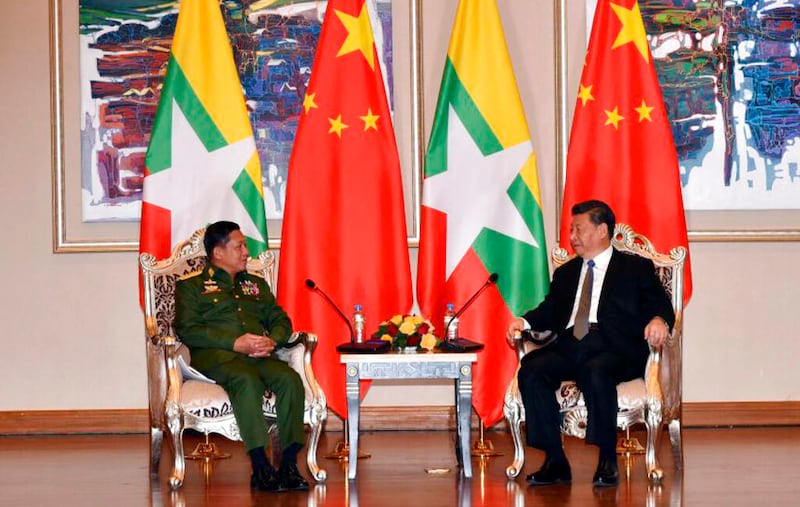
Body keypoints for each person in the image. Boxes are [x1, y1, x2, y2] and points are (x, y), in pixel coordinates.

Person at [506, 200, 674, 487]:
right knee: (531, 369)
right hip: (572, 344)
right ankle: (555, 460)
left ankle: (608, 458)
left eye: (579, 229)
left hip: (615, 348)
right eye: (572, 230)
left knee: (596, 370)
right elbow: (550, 309)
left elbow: (659, 303)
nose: (572, 236)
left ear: (602, 230)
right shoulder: (567, 272)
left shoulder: (635, 267)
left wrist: (658, 319)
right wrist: (525, 322)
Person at [175, 221, 308, 492]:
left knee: (290, 379)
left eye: (245, 245)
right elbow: (188, 330)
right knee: (246, 380)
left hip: (260, 355)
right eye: (240, 246)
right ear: (218, 253)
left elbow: (280, 319)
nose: (247, 252)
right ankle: (260, 466)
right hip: (217, 359)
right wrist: (234, 343)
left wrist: (273, 340)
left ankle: (289, 465)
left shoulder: (256, 285)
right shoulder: (191, 287)